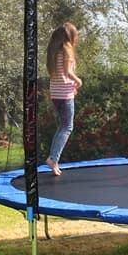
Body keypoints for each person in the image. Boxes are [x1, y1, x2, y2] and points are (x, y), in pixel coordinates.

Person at [45, 22, 83, 175]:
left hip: (56, 93)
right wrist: (78, 80)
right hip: (64, 94)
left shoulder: (54, 51)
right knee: (67, 127)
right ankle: (53, 158)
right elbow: (67, 72)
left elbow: (59, 74)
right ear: (70, 36)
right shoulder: (67, 49)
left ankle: (53, 159)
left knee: (62, 127)